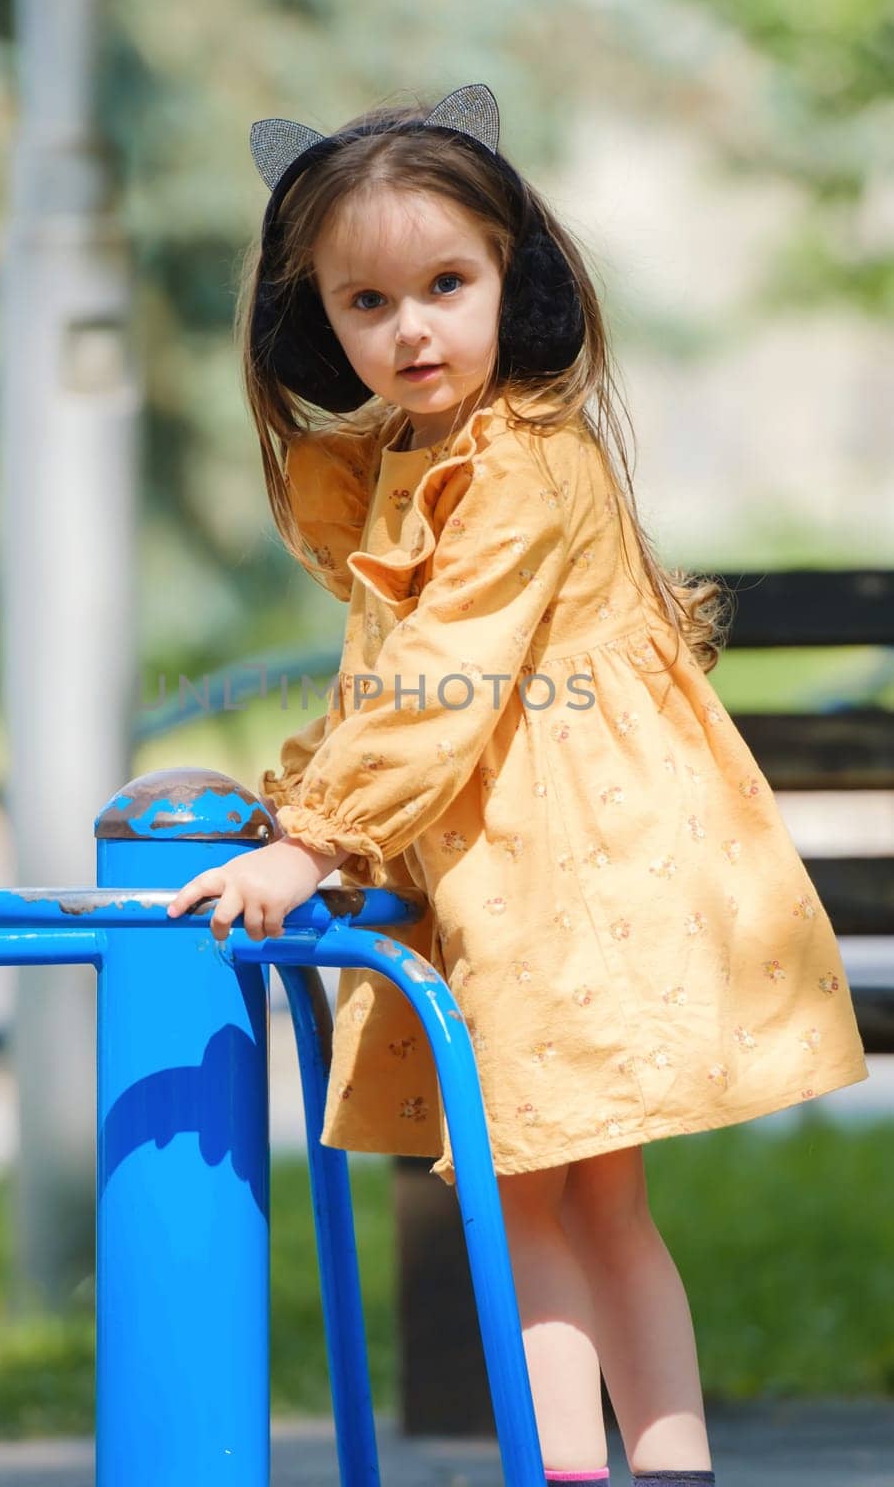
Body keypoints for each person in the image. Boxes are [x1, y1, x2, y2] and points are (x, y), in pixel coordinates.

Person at [168, 84, 870, 1486]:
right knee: (577, 1199)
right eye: (368, 303)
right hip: (526, 858)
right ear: (319, 318)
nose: (412, 328)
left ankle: (581, 1469)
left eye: (446, 283)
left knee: (540, 1195)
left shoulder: (526, 463)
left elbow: (443, 676)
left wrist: (313, 841)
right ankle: (650, 1467)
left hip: (583, 867)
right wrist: (305, 803)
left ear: (514, 277)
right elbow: (392, 677)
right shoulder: (410, 460)